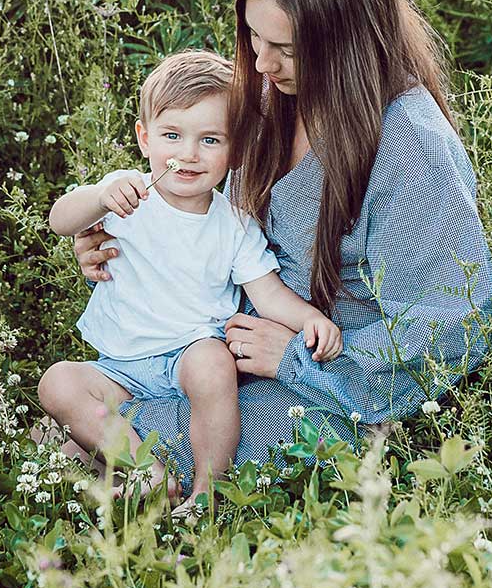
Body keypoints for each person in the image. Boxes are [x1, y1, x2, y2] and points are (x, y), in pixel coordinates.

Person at [68, 0, 492, 495]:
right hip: (214, 351)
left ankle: (148, 475)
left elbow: (456, 324)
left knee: (90, 439)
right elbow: (216, 224)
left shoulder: (410, 146)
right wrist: (127, 243)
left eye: (287, 50)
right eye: (255, 37)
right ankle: (133, 462)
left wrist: (295, 356)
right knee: (76, 407)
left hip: (332, 389)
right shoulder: (276, 94)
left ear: (347, 45)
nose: (262, 65)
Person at [39, 49, 343, 506]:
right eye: (172, 135)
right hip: (120, 366)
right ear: (144, 138)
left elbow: (268, 293)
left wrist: (310, 320)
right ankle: (148, 472)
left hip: (189, 355)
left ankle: (206, 490)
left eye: (210, 140)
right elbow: (60, 220)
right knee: (58, 382)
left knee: (213, 364)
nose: (188, 154)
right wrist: (99, 197)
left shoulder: (234, 223)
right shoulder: (126, 194)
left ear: (235, 151)